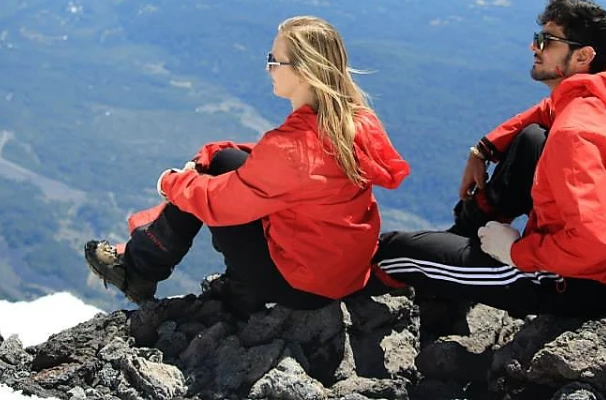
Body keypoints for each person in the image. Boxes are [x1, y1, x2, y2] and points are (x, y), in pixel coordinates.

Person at [85, 16, 409, 317]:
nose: (268, 68)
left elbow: (219, 202)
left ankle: (139, 272)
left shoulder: (292, 148)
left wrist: (171, 182)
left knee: (207, 188)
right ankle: (171, 268)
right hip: (340, 271)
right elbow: (296, 169)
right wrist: (216, 153)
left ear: (303, 72)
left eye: (274, 60)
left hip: (304, 287)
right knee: (224, 161)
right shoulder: (353, 122)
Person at [372, 0, 606, 318]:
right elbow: (546, 111)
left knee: (393, 251)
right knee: (532, 138)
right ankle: (464, 239)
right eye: (537, 38)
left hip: (579, 284)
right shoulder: (598, 99)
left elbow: (594, 244)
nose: (535, 47)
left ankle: (365, 297)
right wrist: (483, 149)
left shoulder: (573, 134)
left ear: (582, 56)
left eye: (547, 41)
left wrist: (515, 252)